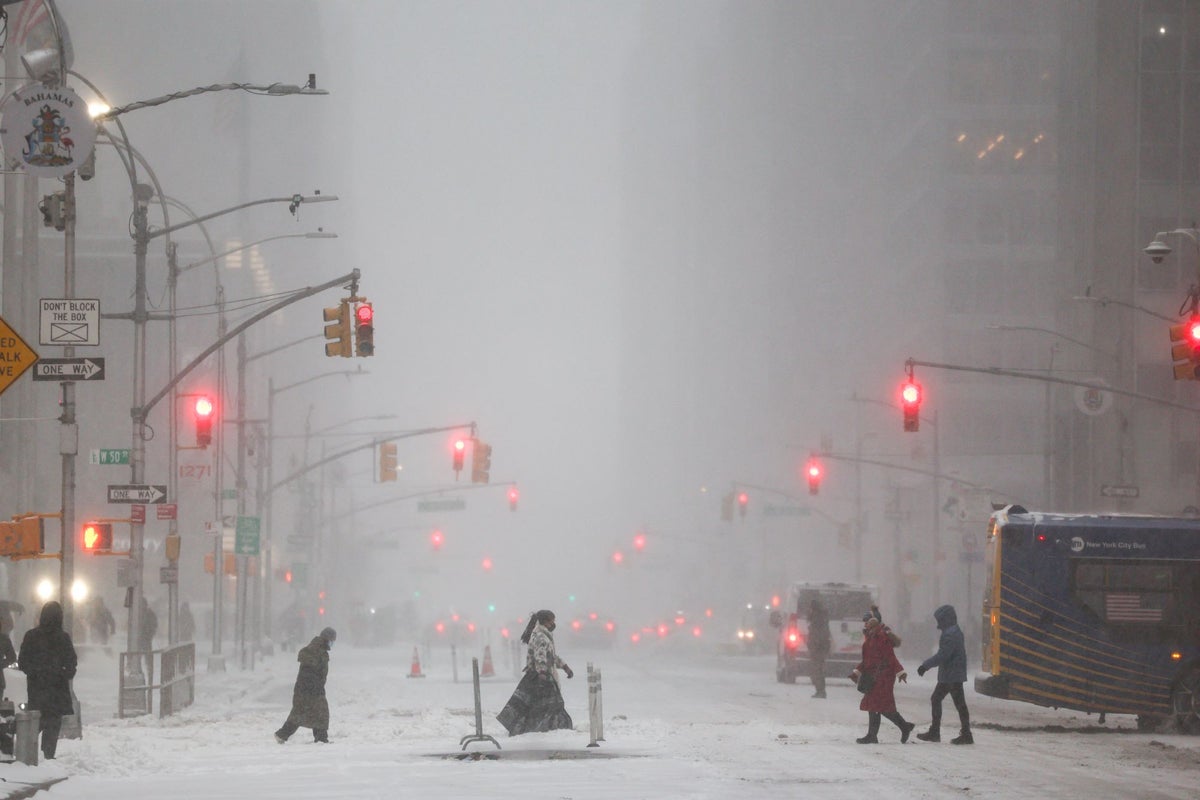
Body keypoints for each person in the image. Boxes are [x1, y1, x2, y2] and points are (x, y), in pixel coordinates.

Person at [496, 610, 574, 735]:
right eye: (552, 621)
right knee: (550, 705)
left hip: (540, 675)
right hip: (540, 676)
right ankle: (553, 729)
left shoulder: (544, 635)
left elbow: (551, 656)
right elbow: (541, 656)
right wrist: (543, 672)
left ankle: (541, 728)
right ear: (546, 621)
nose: (554, 623)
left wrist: (564, 666)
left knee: (532, 705)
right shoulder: (540, 636)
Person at [17, 601, 78, 760]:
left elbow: (23, 662)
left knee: (34, 724)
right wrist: (62, 673)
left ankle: (26, 756)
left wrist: (36, 672)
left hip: (37, 691)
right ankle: (47, 757)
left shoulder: (31, 636)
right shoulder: (63, 638)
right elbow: (71, 663)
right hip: (57, 693)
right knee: (52, 727)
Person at [849, 613, 914, 744]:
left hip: (884, 677)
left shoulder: (881, 639)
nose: (864, 625)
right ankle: (900, 727)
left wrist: (900, 672)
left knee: (881, 706)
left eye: (866, 623)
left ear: (873, 626)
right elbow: (866, 661)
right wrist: (856, 672)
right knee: (877, 706)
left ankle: (882, 733)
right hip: (874, 677)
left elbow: (891, 657)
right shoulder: (870, 639)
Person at [916, 604, 972, 744]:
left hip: (951, 675)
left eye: (940, 620)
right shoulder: (954, 631)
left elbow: (943, 655)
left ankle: (937, 732)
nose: (938, 623)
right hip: (953, 673)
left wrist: (925, 666)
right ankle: (965, 733)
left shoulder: (950, 634)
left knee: (938, 699)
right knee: (959, 704)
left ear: (945, 619)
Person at [275, 627, 336, 744]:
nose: (333, 643)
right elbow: (309, 670)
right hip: (310, 689)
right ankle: (320, 738)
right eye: (332, 640)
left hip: (309, 688)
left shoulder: (318, 649)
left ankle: (283, 735)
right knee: (317, 713)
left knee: (304, 713)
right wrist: (314, 686)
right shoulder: (316, 651)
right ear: (327, 638)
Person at [806, 595, 831, 699]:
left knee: (816, 670)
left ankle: (820, 691)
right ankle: (820, 690)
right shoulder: (821, 618)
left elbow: (817, 635)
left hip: (817, 649)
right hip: (819, 648)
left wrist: (814, 645)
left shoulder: (817, 619)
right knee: (817, 670)